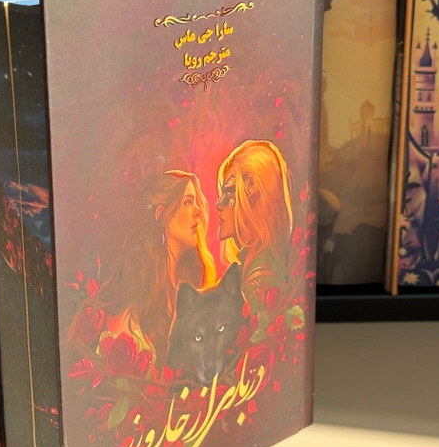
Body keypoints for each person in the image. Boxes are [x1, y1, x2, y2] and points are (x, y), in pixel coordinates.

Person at [79, 170, 217, 361]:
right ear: (161, 214)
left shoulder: (187, 286)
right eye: (187, 202)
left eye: (195, 202)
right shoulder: (138, 301)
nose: (198, 210)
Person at [215, 139, 293, 308]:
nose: (219, 205)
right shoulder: (254, 269)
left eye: (230, 192)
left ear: (254, 199)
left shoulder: (258, 282)